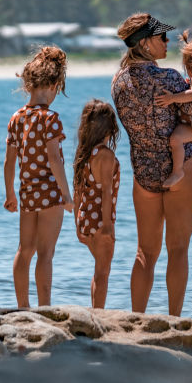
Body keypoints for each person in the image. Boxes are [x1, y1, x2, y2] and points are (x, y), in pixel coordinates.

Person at [111, 12, 192, 316]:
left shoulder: (118, 82)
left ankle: (136, 319)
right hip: (180, 169)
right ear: (144, 44)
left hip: (144, 172)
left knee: (145, 252)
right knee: (178, 249)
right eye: (161, 37)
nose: (168, 41)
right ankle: (175, 320)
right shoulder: (169, 79)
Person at [3, 46, 74, 308]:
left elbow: (9, 161)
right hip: (51, 193)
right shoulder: (51, 119)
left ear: (28, 85)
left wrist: (10, 193)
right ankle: (45, 308)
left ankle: (22, 306)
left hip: (27, 193)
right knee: (46, 253)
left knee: (25, 250)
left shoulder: (16, 118)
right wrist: (67, 196)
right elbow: (54, 159)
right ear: (55, 86)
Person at [71, 99, 120, 309]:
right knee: (103, 272)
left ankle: (95, 311)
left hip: (86, 217)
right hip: (101, 218)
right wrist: (108, 225)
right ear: (110, 128)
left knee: (98, 269)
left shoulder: (84, 154)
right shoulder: (106, 156)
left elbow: (77, 192)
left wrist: (77, 224)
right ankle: (99, 314)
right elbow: (107, 192)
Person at [153, 30, 192, 190]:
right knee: (175, 139)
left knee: (175, 139)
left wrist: (172, 98)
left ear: (189, 64)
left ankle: (178, 171)